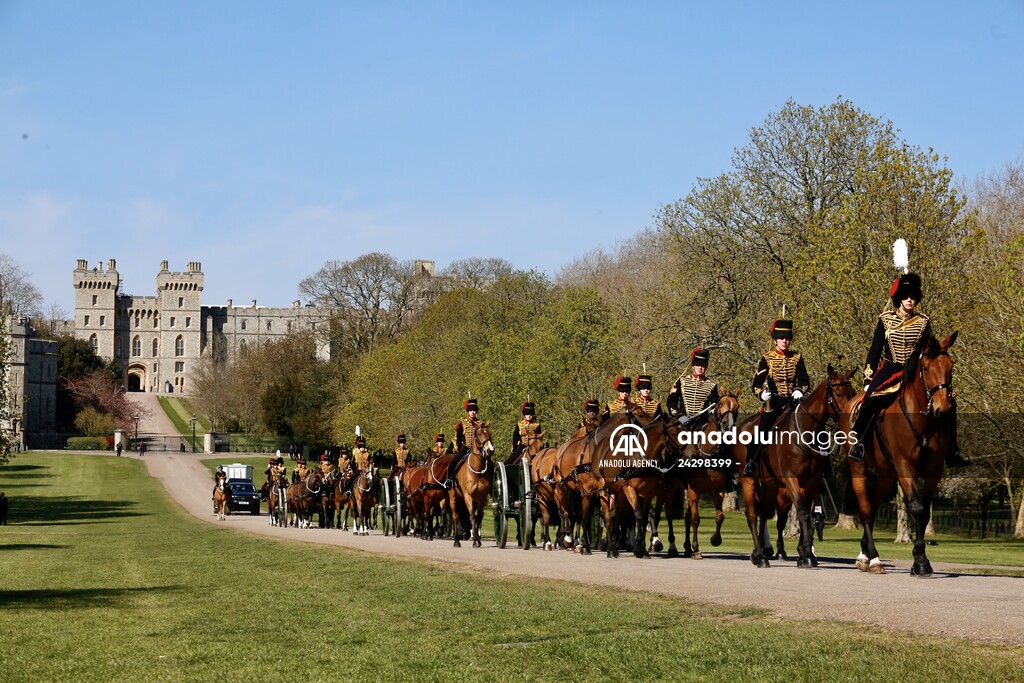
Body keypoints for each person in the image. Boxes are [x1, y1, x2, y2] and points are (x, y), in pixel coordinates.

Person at [849, 273, 970, 468]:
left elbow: (931, 354)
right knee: (870, 399)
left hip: (914, 371)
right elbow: (874, 351)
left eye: (913, 296)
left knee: (950, 404)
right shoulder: (885, 320)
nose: (909, 299)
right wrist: (868, 379)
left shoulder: (923, 322)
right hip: (889, 369)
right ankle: (858, 442)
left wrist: (945, 387)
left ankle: (953, 451)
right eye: (905, 296)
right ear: (899, 298)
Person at [744, 318, 810, 477]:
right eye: (781, 338)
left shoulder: (797, 358)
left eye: (787, 338)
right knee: (762, 430)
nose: (784, 341)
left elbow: (804, 379)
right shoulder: (767, 358)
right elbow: (756, 384)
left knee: (814, 425)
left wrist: (799, 389)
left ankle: (824, 464)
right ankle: (750, 462)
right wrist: (762, 394)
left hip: (793, 401)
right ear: (775, 340)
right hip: (773, 402)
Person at [667, 348, 721, 432]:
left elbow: (715, 404)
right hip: (682, 423)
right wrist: (679, 416)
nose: (700, 368)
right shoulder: (681, 381)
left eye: (703, 365)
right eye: (698, 365)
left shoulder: (712, 384)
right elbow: (671, 402)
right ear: (693, 366)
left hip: (702, 425)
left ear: (706, 367)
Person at [447, 398, 482, 487]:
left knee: (490, 464)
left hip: (478, 450)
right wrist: (458, 448)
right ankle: (449, 480)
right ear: (468, 412)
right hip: (466, 449)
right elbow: (458, 439)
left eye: (474, 410)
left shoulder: (480, 423)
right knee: (452, 464)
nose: (473, 412)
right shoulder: (462, 424)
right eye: (471, 410)